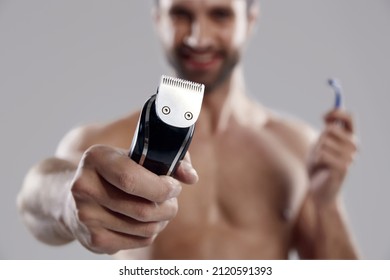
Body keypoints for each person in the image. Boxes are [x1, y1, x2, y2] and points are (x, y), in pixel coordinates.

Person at [17, 0, 359, 259]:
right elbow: (33, 200)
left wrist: (325, 202)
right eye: (180, 13)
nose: (199, 36)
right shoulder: (106, 142)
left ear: (251, 19)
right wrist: (65, 202)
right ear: (157, 19)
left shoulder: (297, 147)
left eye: (220, 14)